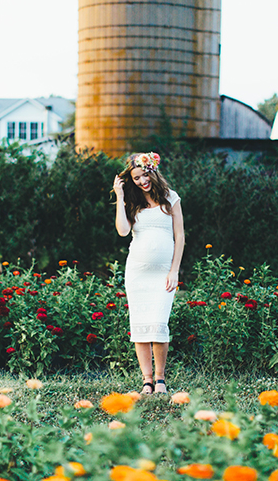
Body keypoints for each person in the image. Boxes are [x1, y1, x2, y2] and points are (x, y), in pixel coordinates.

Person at [112, 152, 185, 394]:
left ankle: (161, 379)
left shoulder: (170, 198)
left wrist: (174, 270)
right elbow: (123, 231)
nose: (142, 181)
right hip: (137, 274)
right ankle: (147, 381)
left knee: (159, 325)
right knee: (141, 326)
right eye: (136, 178)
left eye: (145, 175)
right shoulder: (132, 203)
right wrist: (120, 196)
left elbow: (180, 236)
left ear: (153, 171)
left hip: (164, 274)